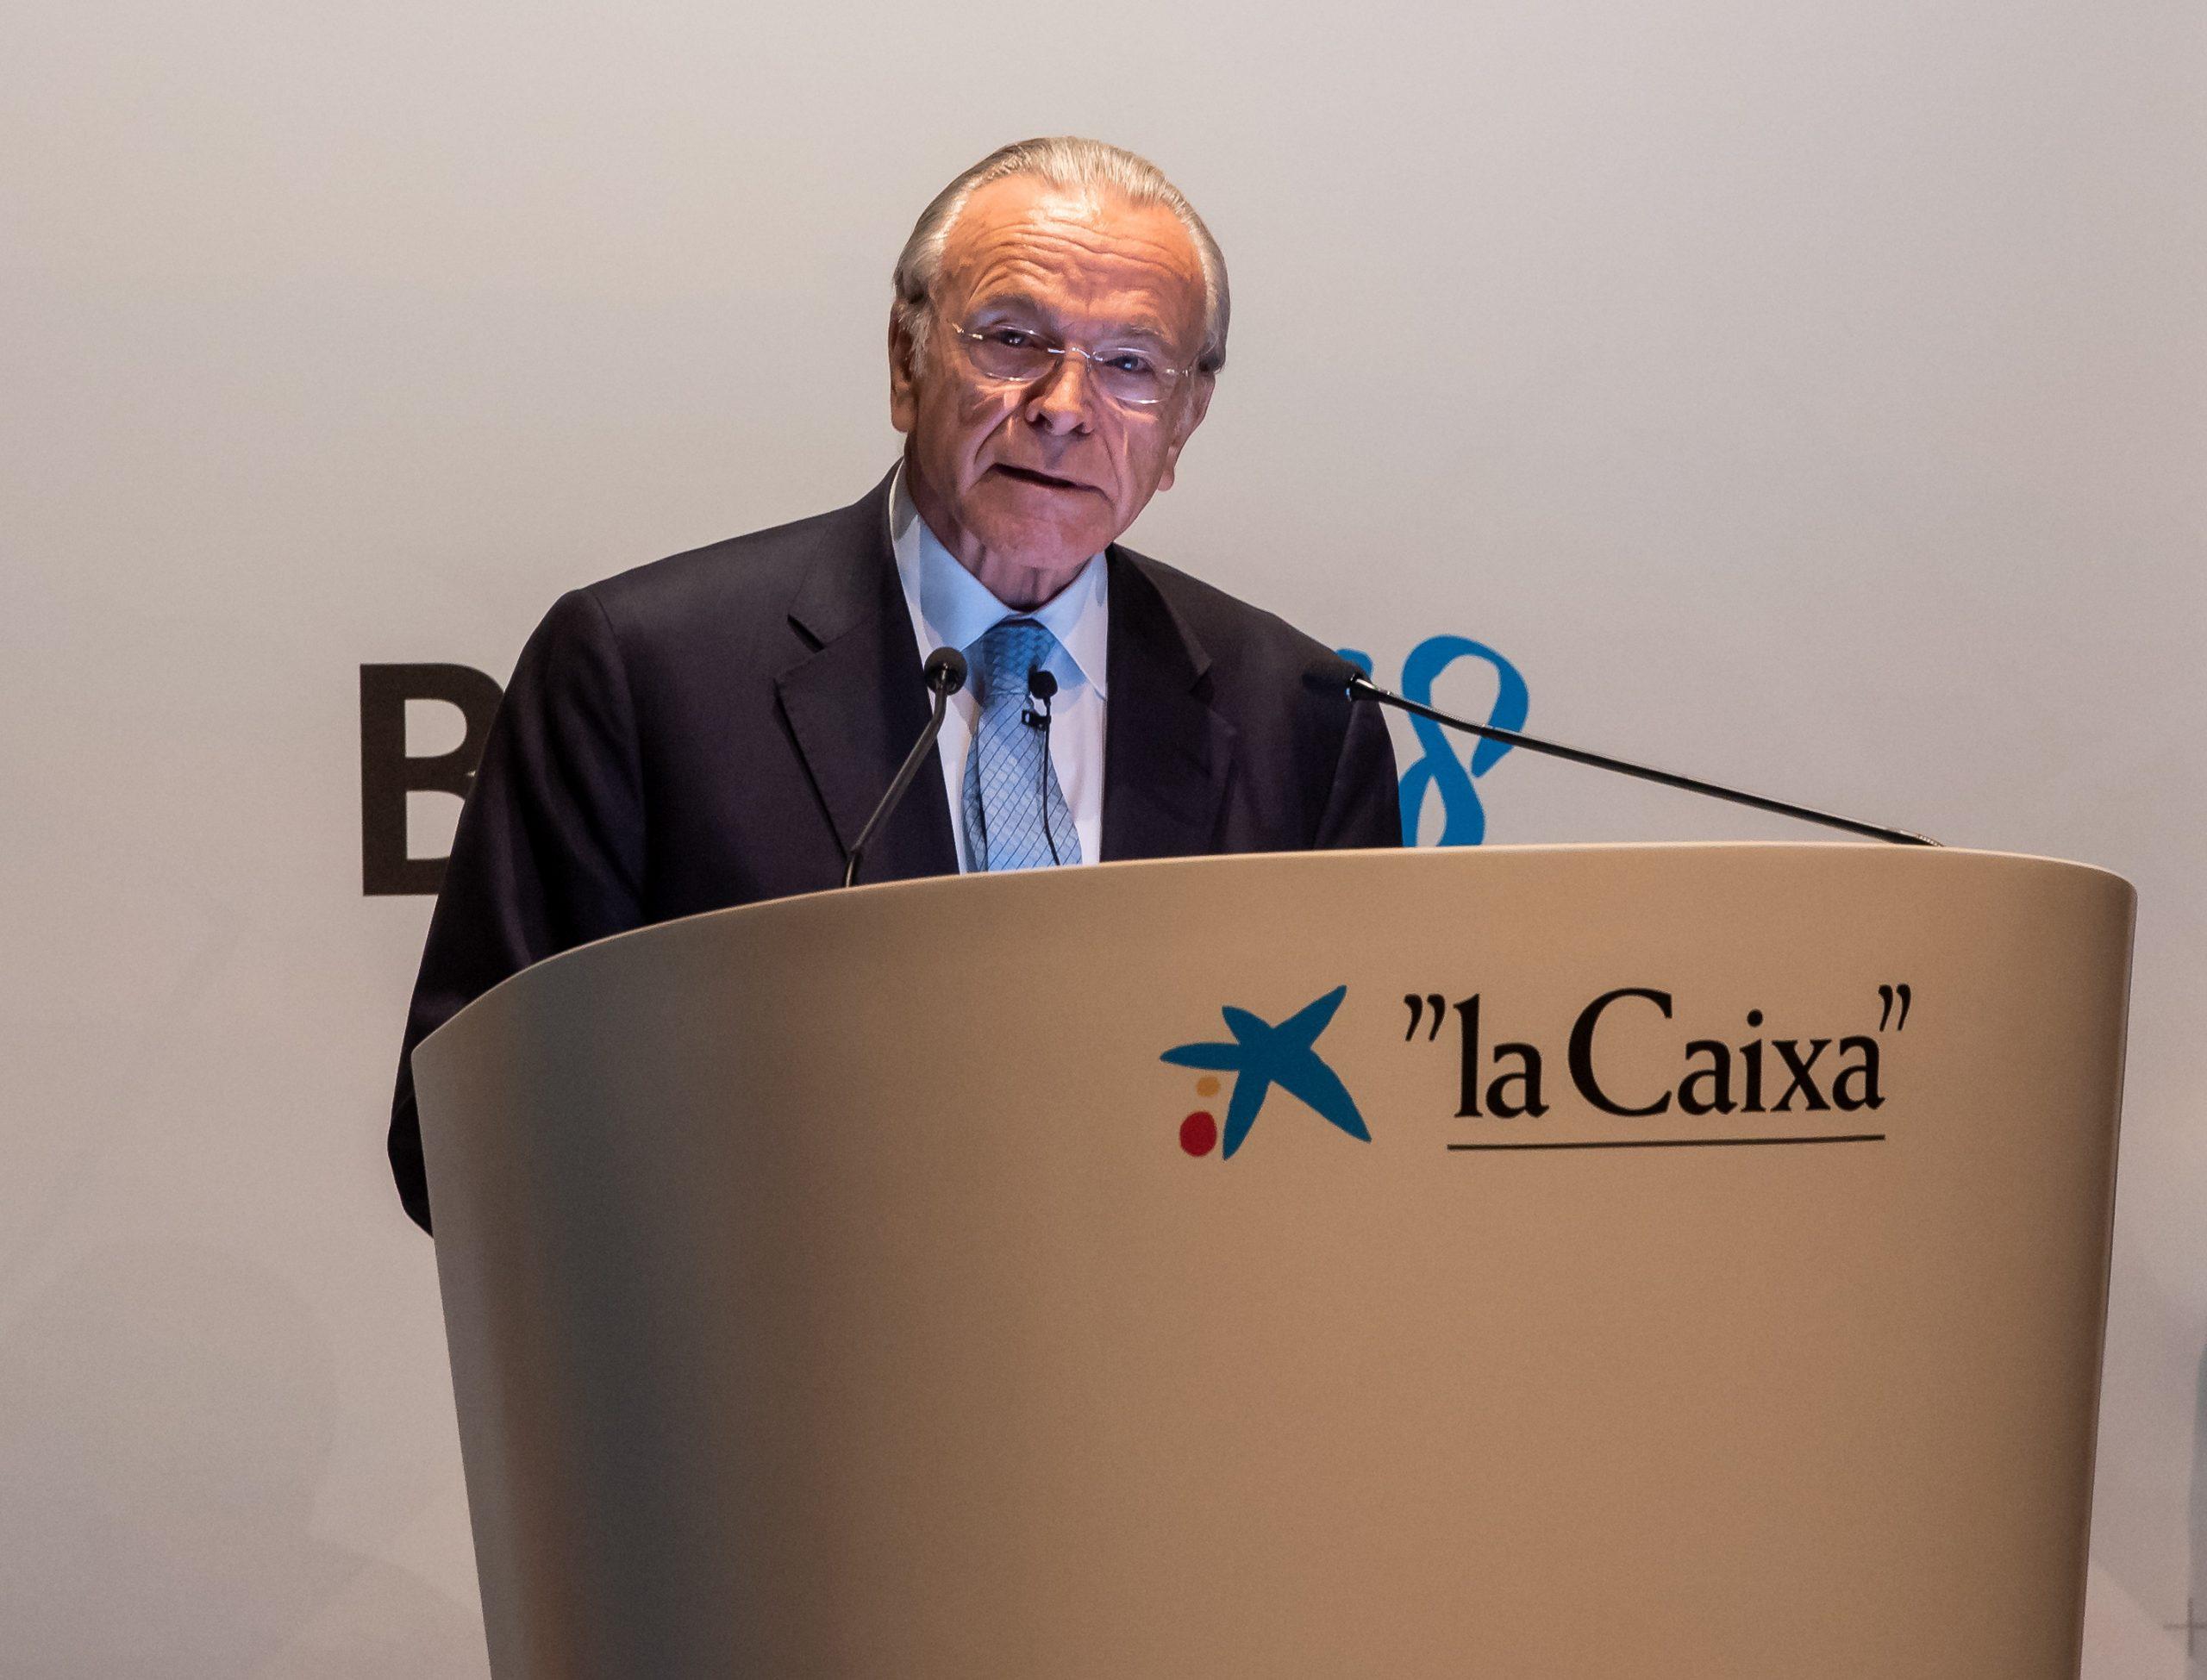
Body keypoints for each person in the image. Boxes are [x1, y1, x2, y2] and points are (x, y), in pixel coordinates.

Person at [387, 137, 1401, 1233]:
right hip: (778, 1382)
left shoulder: (1297, 715)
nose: (1063, 406)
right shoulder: (641, 673)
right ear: (904, 359)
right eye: (1011, 339)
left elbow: (1356, 1152)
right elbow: (461, 1140)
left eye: (1129, 365)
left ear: (1184, 421)